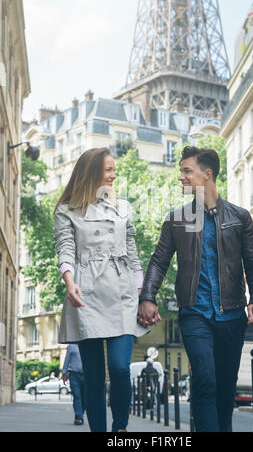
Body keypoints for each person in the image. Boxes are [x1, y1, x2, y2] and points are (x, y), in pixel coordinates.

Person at [138, 145, 253, 432]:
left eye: (187, 171)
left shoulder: (240, 217)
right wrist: (148, 297)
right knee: (205, 379)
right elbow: (158, 261)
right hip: (194, 312)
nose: (180, 177)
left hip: (232, 314)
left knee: (224, 387)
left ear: (207, 174)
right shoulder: (176, 219)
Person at [54, 147, 149, 432]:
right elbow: (66, 248)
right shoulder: (66, 211)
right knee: (94, 376)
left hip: (123, 294)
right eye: (108, 169)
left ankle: (120, 428)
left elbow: (132, 250)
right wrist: (70, 281)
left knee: (120, 368)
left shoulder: (123, 207)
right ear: (92, 171)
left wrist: (144, 294)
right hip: (86, 294)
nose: (113, 174)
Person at [62, 344, 85, 425]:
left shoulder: (87, 344)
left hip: (86, 375)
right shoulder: (71, 346)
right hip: (74, 375)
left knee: (84, 397)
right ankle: (79, 417)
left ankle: (80, 414)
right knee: (77, 396)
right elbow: (67, 359)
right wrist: (64, 373)